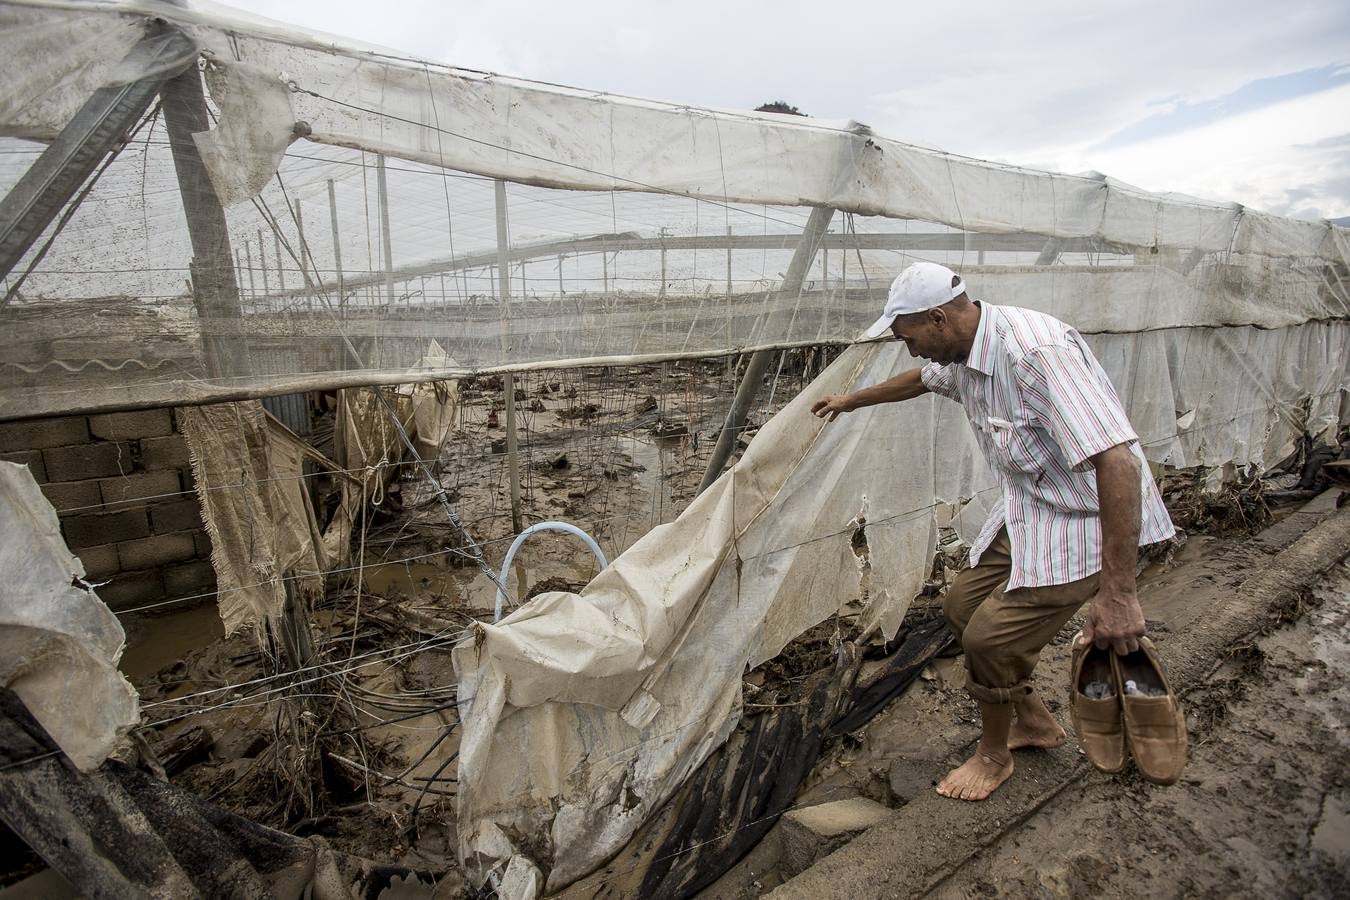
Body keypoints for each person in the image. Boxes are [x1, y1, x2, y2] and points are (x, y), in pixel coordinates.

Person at [811, 262, 1174, 801]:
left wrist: (1119, 593)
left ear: (937, 319)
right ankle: (1032, 720)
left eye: (910, 339)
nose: (912, 352)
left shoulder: (1036, 355)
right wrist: (851, 400)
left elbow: (1118, 464)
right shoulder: (961, 348)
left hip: (1088, 518)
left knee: (987, 637)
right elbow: (924, 379)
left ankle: (994, 753)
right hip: (1034, 507)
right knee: (960, 607)